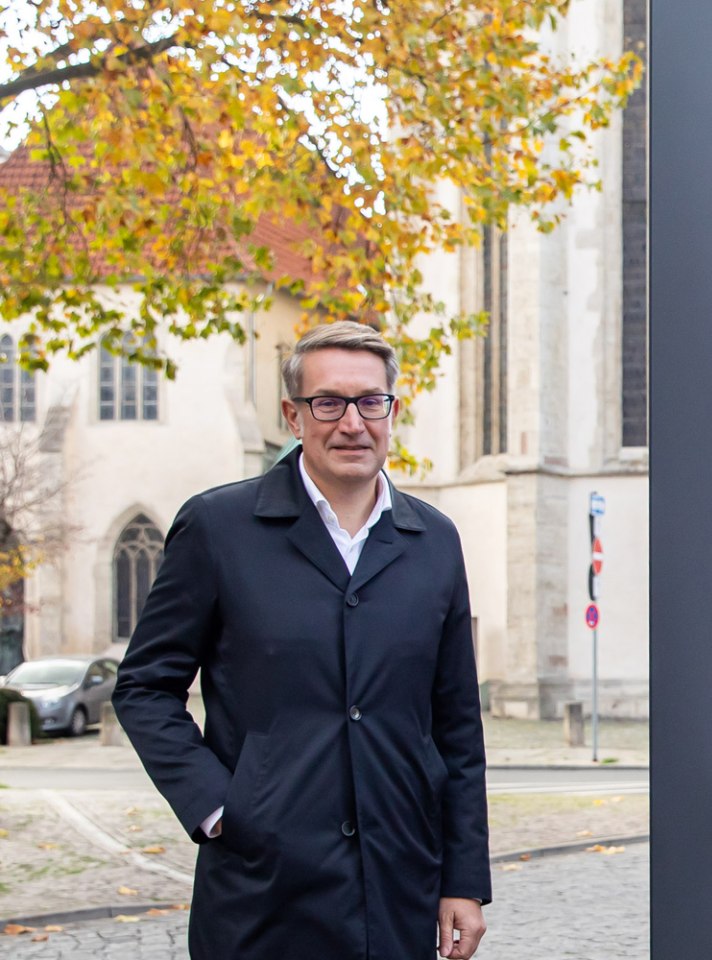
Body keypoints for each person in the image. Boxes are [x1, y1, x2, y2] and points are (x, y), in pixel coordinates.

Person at [114, 321, 490, 959]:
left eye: (371, 402)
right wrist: (221, 809)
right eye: (329, 403)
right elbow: (145, 687)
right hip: (262, 891)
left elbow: (455, 723)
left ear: (391, 411)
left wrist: (463, 878)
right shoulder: (218, 528)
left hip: (397, 883)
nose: (352, 423)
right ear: (293, 416)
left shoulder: (435, 542)